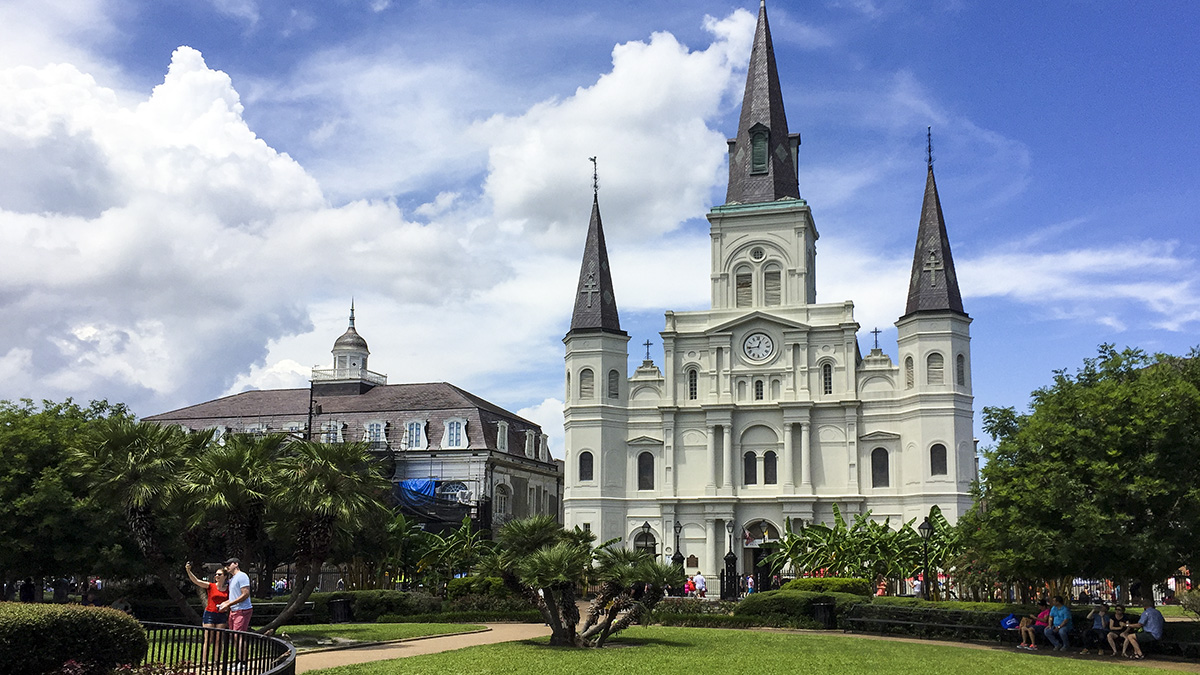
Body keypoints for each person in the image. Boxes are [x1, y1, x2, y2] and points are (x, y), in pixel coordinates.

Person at [186, 562, 229, 667]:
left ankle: (216, 662)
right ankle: (204, 662)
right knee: (208, 639)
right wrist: (188, 571)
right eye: (216, 574)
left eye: (219, 574)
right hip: (210, 614)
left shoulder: (229, 588)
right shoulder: (211, 586)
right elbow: (196, 581)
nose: (217, 576)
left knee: (219, 639)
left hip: (221, 615)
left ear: (225, 576)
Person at [218, 558, 253, 667]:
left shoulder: (242, 576)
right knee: (235, 636)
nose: (227, 566)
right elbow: (234, 597)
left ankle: (243, 662)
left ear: (236, 564)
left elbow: (245, 594)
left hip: (242, 610)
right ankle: (238, 660)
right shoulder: (232, 579)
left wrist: (229, 604)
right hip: (234, 610)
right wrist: (225, 603)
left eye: (229, 564)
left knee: (239, 636)